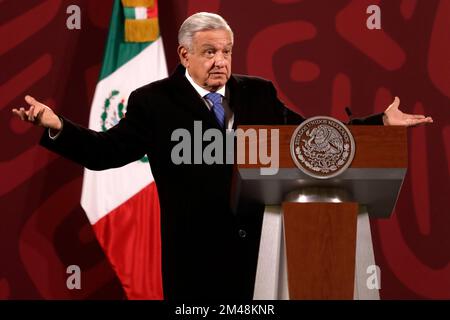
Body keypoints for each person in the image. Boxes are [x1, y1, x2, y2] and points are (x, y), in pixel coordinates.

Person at [12, 12, 433, 300]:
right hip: (195, 261)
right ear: (184, 55)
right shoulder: (154, 102)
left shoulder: (258, 92)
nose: (221, 61)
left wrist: (378, 123)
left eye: (227, 51)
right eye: (210, 52)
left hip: (264, 256)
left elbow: (309, 138)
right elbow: (106, 153)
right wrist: (58, 126)